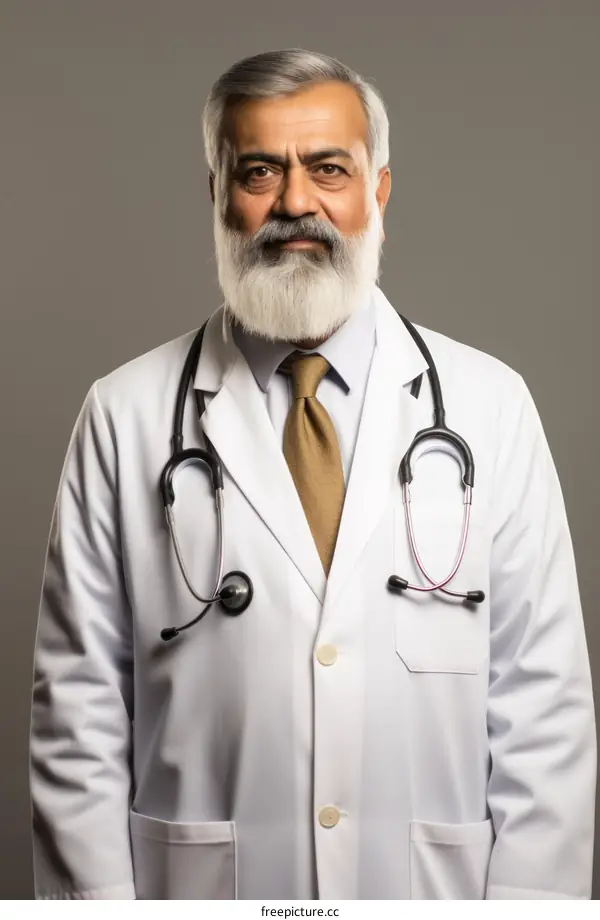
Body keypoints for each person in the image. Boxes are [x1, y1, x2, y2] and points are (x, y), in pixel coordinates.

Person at [28, 48, 596, 901]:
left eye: (328, 168)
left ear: (379, 191)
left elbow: (544, 718)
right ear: (216, 195)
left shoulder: (492, 407)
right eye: (259, 170)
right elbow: (78, 721)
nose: (296, 203)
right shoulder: (124, 414)